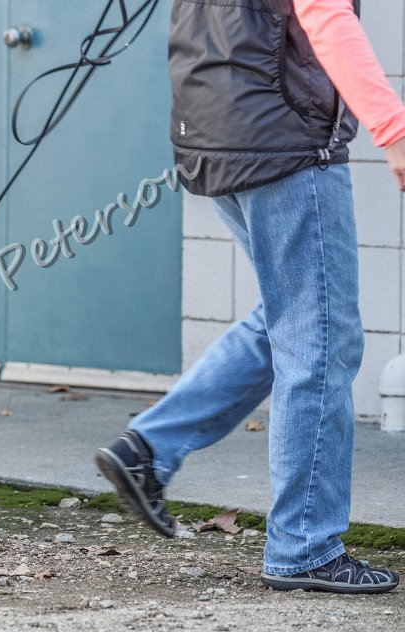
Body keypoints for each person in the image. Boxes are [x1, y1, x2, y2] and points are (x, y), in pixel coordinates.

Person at [96, 0, 402, 594]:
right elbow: (327, 16)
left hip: (218, 130)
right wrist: (394, 128)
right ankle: (305, 546)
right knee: (320, 338)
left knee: (290, 318)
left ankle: (148, 449)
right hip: (283, 141)